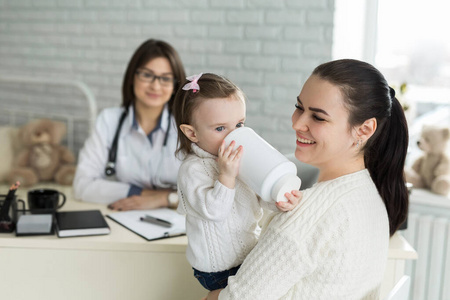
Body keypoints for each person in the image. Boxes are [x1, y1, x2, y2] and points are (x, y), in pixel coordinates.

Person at [205, 59, 409, 300]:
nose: (297, 123)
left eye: (318, 118)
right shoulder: (371, 196)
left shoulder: (306, 218)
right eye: (299, 107)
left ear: (364, 130)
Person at [172, 73, 301, 291]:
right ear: (192, 133)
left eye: (239, 125)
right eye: (220, 128)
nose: (234, 135)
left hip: (247, 254)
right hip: (217, 268)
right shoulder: (192, 170)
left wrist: (277, 201)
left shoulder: (240, 157)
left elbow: (259, 192)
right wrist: (227, 176)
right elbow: (214, 212)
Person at [73, 39, 186, 211]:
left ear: (174, 85)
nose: (155, 86)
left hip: (176, 223)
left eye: (165, 79)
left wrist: (165, 199)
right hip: (123, 216)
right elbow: (82, 185)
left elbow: (208, 192)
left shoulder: (186, 127)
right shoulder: (109, 120)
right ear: (132, 77)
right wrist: (139, 193)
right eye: (147, 75)